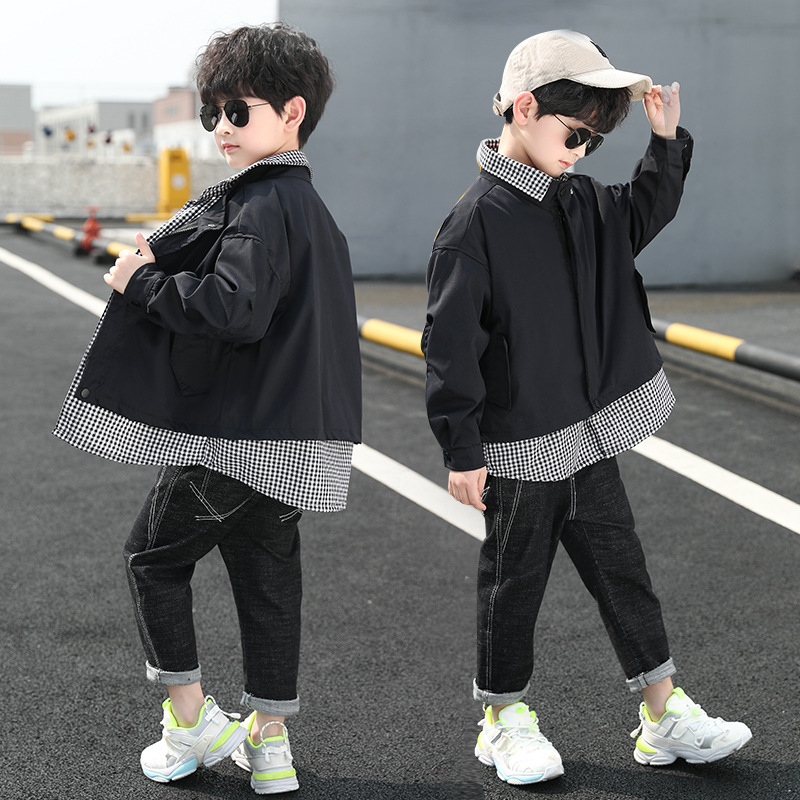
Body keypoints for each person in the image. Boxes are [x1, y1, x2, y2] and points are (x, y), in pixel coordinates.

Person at [422, 29, 751, 786]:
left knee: (623, 572)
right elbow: (449, 348)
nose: (581, 151)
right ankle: (503, 720)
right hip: (520, 447)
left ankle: (663, 714)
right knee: (513, 585)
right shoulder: (474, 223)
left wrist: (664, 143)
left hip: (586, 438)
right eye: (574, 134)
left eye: (594, 142)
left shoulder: (581, 200)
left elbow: (641, 214)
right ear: (524, 107)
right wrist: (461, 449)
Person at [54, 23, 361, 795]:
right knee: (268, 587)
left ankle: (191, 720)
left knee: (150, 558)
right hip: (297, 440)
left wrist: (141, 282)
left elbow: (233, 309)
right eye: (212, 112)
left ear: (292, 112)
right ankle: (270, 747)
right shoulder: (312, 210)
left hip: (239, 439)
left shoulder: (258, 204)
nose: (222, 126)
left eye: (238, 110)